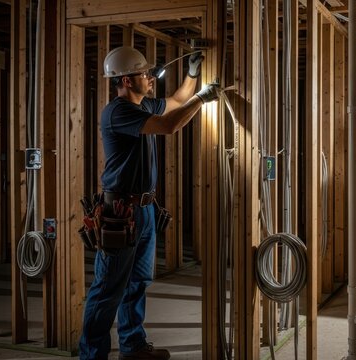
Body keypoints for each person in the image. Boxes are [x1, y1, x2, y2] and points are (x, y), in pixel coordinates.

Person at [79, 46, 219, 360]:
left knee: (137, 282)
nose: (150, 78)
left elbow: (178, 101)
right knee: (107, 289)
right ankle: (92, 355)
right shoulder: (119, 112)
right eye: (144, 74)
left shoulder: (143, 104)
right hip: (120, 213)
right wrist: (204, 99)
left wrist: (193, 75)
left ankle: (133, 346)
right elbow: (169, 125)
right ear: (126, 81)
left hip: (144, 210)